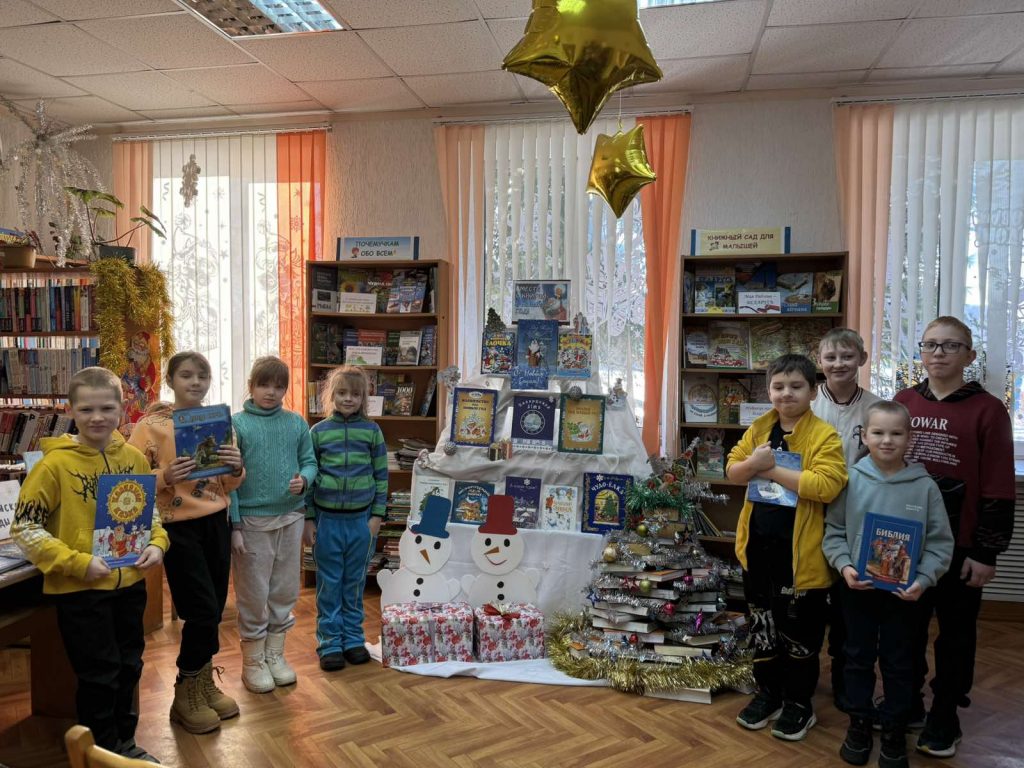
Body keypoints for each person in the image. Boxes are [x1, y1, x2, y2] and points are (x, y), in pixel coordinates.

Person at [11, 367, 169, 763]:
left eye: (107, 408)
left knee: (129, 666)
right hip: (80, 591)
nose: (97, 417)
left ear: (121, 409)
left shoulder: (133, 458)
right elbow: (25, 528)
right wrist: (77, 563)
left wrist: (157, 543)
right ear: (70, 411)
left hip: (129, 585)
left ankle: (124, 744)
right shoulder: (52, 466)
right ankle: (99, 753)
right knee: (99, 673)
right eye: (86, 410)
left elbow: (148, 514)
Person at [893, 316, 1015, 758]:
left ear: (969, 355)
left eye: (950, 345)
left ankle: (945, 712)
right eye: (930, 345)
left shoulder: (988, 410)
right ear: (921, 353)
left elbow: (999, 485)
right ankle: (906, 702)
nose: (938, 353)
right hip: (905, 541)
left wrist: (986, 552)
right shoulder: (904, 401)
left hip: (961, 545)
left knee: (956, 635)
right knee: (905, 631)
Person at [823, 401, 953, 768]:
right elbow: (833, 532)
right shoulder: (850, 480)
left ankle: (894, 729)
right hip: (857, 590)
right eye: (878, 432)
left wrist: (923, 580)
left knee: (900, 662)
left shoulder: (925, 488)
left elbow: (940, 544)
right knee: (857, 658)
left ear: (910, 438)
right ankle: (859, 723)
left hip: (905, 596)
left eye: (896, 433)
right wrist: (845, 566)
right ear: (864, 436)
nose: (887, 440)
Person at [728, 354, 848, 742]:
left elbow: (828, 485)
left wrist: (769, 469)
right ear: (769, 391)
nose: (786, 394)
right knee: (763, 628)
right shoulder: (760, 428)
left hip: (799, 560)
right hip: (757, 552)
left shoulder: (824, 436)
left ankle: (799, 703)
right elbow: (733, 470)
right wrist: (753, 463)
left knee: (800, 635)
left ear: (813, 391)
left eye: (796, 386)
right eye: (778, 387)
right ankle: (769, 693)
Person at [128, 352, 244, 735]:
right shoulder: (150, 426)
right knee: (201, 608)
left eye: (202, 376)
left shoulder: (218, 422)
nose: (195, 382)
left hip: (217, 521)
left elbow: (228, 484)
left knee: (215, 607)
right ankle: (185, 690)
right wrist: (164, 476)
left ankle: (202, 682)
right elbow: (130, 482)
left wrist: (236, 466)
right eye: (187, 375)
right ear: (171, 380)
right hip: (176, 527)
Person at [229, 356, 317, 693]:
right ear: (250, 386)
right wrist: (235, 526)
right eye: (264, 384)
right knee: (253, 593)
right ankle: (252, 661)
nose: (271, 392)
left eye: (279, 386)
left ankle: (275, 654)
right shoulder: (236, 425)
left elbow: (309, 461)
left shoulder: (296, 423)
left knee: (285, 589)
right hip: (252, 522)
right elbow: (229, 480)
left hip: (291, 517)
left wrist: (304, 480)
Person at [811, 327, 882, 714]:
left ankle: (845, 679)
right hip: (808, 512)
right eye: (831, 357)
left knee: (846, 606)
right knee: (808, 600)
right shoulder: (806, 403)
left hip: (853, 518)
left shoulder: (875, 407)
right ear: (819, 361)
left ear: (862, 359)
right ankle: (804, 676)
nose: (839, 364)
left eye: (847, 356)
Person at [306, 365, 388, 672]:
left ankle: (353, 639)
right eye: (341, 393)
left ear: (364, 398)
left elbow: (381, 476)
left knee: (354, 583)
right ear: (331, 395)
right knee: (329, 583)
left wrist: (377, 516)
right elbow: (309, 477)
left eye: (355, 394)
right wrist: (309, 518)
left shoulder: (372, 431)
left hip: (361, 522)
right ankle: (330, 642)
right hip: (327, 520)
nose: (348, 399)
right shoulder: (318, 432)